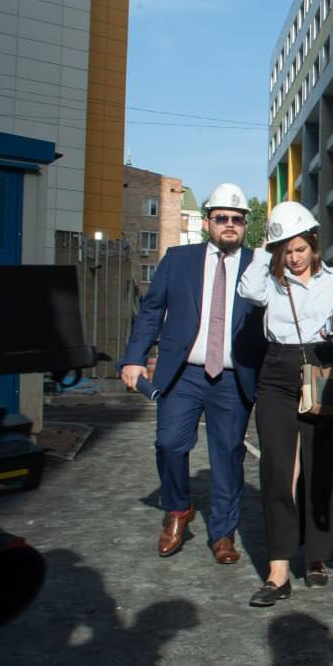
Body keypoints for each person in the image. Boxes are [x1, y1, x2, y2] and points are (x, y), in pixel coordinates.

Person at [119, 183, 266, 564]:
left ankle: (223, 533)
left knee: (228, 456)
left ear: (245, 224)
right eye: (221, 218)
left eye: (237, 219)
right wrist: (135, 358)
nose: (230, 224)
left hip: (233, 378)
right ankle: (178, 508)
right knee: (169, 443)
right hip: (183, 374)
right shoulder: (178, 259)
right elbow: (152, 311)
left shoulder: (260, 264)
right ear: (207, 222)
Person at [236, 201, 333, 606]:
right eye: (286, 249)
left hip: (323, 367)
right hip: (277, 373)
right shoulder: (270, 281)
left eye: (300, 248)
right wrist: (264, 246)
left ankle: (317, 555)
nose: (294, 257)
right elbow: (246, 290)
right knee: (277, 470)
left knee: (323, 466)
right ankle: (278, 570)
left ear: (314, 243)